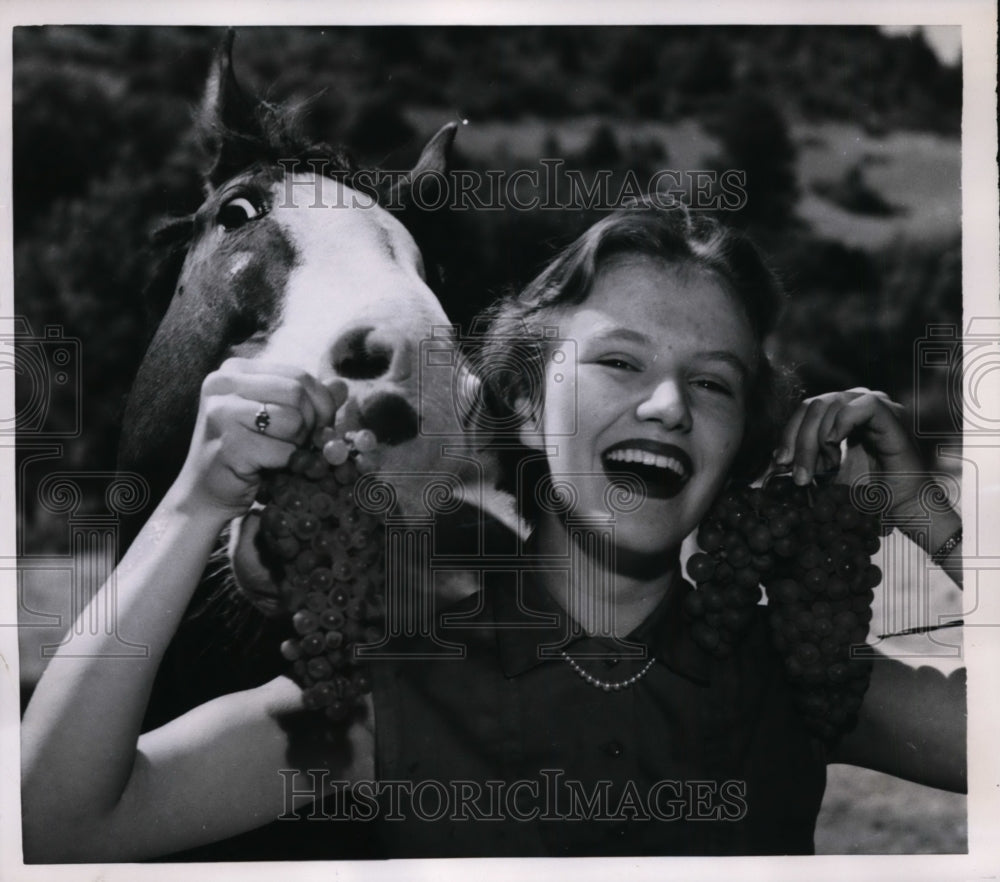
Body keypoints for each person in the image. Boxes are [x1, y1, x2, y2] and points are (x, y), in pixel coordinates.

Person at [20, 206, 965, 861]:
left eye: (713, 382)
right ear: (518, 400)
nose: (669, 403)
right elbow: (57, 825)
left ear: (742, 438)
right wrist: (193, 505)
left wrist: (934, 520)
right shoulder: (392, 689)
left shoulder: (804, 683)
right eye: (620, 361)